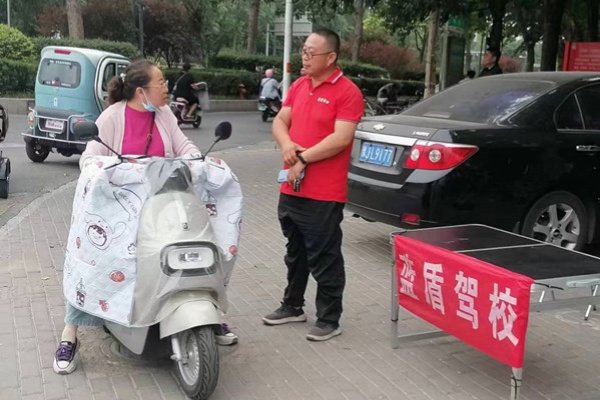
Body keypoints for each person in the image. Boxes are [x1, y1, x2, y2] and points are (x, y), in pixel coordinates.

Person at [54, 60, 237, 375]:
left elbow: (184, 147)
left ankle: (208, 313)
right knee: (92, 261)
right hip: (119, 214)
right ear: (141, 91)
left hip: (163, 206)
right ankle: (69, 334)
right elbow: (90, 158)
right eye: (161, 82)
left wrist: (200, 160)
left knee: (196, 244)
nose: (167, 88)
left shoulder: (165, 115)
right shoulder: (113, 117)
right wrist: (110, 170)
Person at [262, 29, 364, 341]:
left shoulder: (347, 92)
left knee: (324, 254)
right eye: (303, 51)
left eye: (311, 52)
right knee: (295, 252)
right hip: (292, 187)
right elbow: (281, 121)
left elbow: (341, 138)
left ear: (330, 58)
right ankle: (293, 305)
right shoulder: (299, 85)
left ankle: (329, 318)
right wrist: (286, 145)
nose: (304, 57)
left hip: (323, 192)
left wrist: (303, 159)